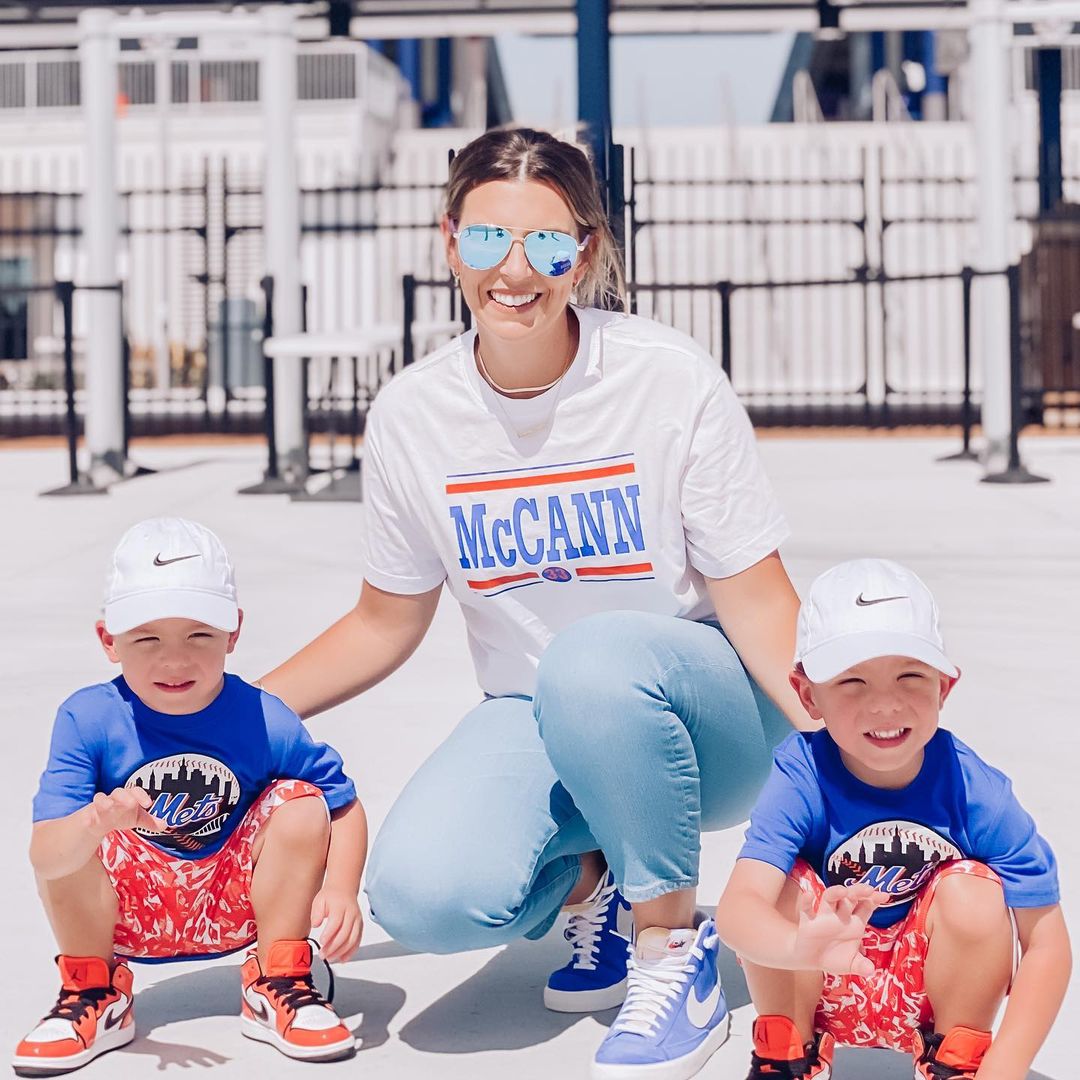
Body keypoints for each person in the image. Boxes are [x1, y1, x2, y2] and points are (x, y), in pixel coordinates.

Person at [260, 126, 806, 1080]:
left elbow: (759, 601)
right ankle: (595, 878)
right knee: (421, 895)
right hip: (540, 716)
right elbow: (385, 619)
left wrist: (866, 757)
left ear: (584, 253)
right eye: (486, 241)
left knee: (592, 660)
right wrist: (226, 714)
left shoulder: (665, 380)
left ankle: (675, 952)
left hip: (706, 720)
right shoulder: (413, 415)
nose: (514, 271)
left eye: (548, 245)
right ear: (448, 242)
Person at [15, 518, 366, 1076]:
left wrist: (343, 890)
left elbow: (339, 803)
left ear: (233, 633)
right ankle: (93, 990)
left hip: (232, 901)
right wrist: (93, 825)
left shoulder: (261, 714)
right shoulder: (87, 717)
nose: (174, 660)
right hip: (129, 909)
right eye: (147, 638)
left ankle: (279, 976)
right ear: (109, 641)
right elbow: (45, 856)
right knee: (71, 831)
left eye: (199, 635)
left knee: (300, 799)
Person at [715, 558, 1070, 1080]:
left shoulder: (977, 790)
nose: (885, 704)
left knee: (976, 891)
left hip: (927, 995)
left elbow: (1047, 944)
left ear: (944, 688)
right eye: (853, 681)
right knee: (787, 886)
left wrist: (1008, 1067)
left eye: (910, 676)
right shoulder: (801, 774)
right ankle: (787, 1056)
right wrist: (798, 946)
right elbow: (738, 909)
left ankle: (958, 1060)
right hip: (822, 975)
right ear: (809, 695)